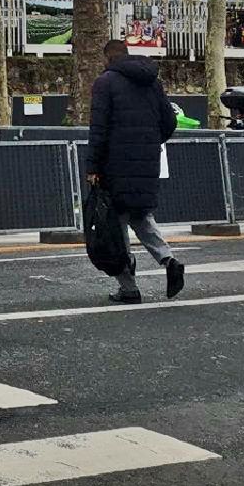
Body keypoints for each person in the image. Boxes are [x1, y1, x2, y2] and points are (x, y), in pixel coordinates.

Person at [88, 37, 184, 305]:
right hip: (147, 161)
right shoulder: (152, 81)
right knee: (141, 215)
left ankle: (128, 287)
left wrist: (92, 166)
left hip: (115, 164)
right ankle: (169, 260)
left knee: (116, 223)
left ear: (107, 58)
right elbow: (170, 121)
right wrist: (150, 143)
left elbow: (98, 129)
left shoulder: (105, 82)